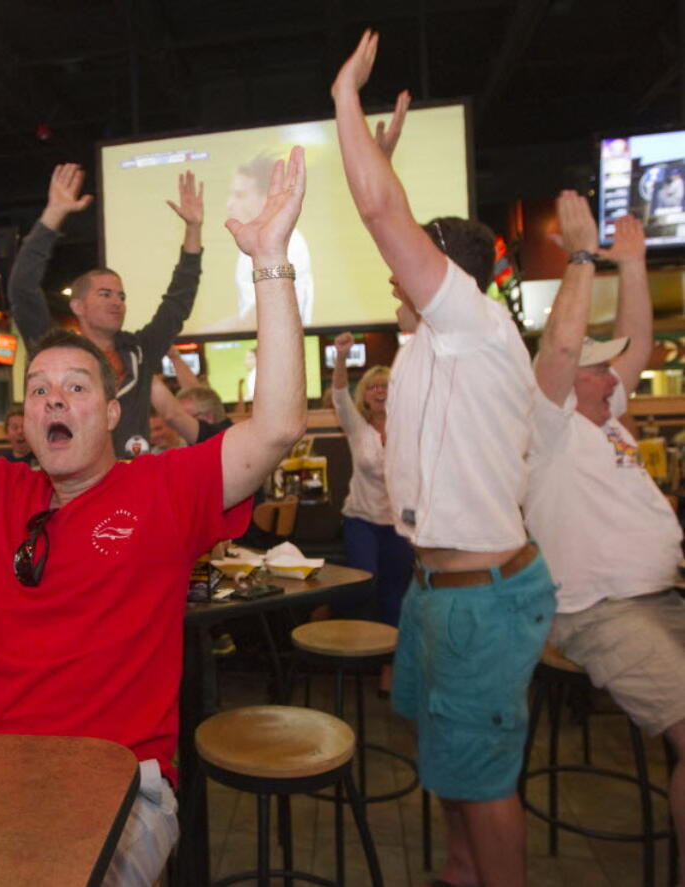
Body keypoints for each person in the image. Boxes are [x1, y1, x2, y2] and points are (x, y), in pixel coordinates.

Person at [0, 150, 307, 886]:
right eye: (38, 389)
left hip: (127, 782)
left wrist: (271, 262)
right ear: (25, 420)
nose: (54, 398)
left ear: (114, 411)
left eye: (75, 386)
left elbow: (279, 424)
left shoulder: (165, 489)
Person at [334, 31, 555, 887]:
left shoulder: (476, 326)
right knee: (445, 753)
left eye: (413, 265)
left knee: (483, 774)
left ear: (451, 280)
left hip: (484, 598)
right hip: (438, 589)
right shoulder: (431, 336)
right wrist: (386, 160)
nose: (396, 276)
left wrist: (346, 100)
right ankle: (461, 872)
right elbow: (406, 224)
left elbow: (386, 220)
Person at [525, 196, 685, 877]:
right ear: (577, 375)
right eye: (601, 365)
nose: (616, 370)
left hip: (661, 596)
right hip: (597, 610)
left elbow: (639, 340)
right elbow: (559, 347)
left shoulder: (605, 416)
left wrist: (636, 263)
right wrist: (583, 256)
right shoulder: (547, 420)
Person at [7, 162, 204, 456]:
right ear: (78, 306)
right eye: (105, 294)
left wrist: (193, 230)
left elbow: (178, 303)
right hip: (73, 484)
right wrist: (54, 214)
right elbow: (22, 288)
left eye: (121, 296)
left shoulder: (139, 351)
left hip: (132, 485)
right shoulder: (56, 350)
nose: (117, 302)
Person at [329, 332, 413, 689]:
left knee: (396, 591)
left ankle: (388, 666)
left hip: (399, 524)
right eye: (373, 387)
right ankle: (328, 610)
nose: (380, 391)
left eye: (386, 386)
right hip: (361, 518)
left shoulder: (410, 427)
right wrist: (341, 357)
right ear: (364, 395)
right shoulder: (356, 426)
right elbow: (337, 394)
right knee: (365, 581)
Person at [221, 152, 315, 327]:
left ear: (265, 197)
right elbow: (247, 316)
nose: (229, 204)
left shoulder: (290, 243)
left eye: (239, 195)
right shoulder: (250, 246)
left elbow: (266, 318)